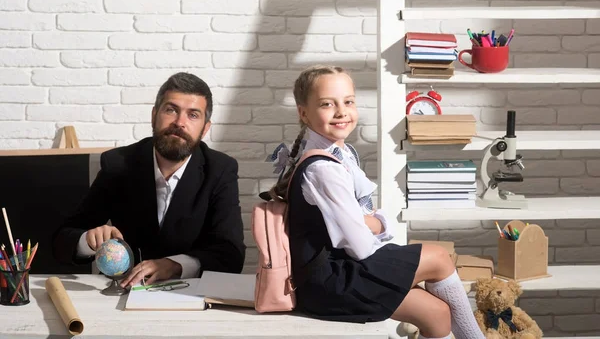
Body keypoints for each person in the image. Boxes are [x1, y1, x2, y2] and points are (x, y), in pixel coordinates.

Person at [269, 65, 484, 339]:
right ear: (303, 113)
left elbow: (356, 227)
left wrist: (368, 224)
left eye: (348, 102)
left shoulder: (338, 154)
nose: (341, 112)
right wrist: (376, 223)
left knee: (437, 312)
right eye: (327, 104)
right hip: (330, 282)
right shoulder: (323, 169)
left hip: (338, 270)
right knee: (440, 258)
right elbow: (360, 246)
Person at [53, 72, 245, 287]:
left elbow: (231, 254)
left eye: (193, 115)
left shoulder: (220, 170)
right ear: (154, 115)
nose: (179, 122)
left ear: (205, 128)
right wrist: (88, 240)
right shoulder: (118, 164)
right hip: (126, 293)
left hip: (191, 296)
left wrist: (174, 264)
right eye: (171, 110)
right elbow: (62, 240)